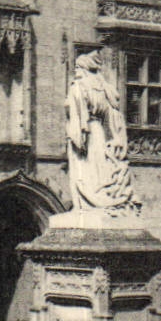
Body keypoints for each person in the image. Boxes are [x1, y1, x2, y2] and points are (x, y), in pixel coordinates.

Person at [64, 51, 141, 216]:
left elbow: (78, 116)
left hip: (88, 133)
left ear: (84, 69)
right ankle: (100, 201)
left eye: (78, 67)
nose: (76, 70)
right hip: (99, 131)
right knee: (100, 170)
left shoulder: (78, 86)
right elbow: (113, 116)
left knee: (86, 173)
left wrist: (77, 136)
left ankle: (88, 204)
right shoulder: (103, 88)